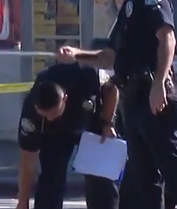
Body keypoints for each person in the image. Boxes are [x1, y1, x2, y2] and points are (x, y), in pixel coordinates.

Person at [56, 0, 177, 209]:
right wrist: (78, 54)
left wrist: (159, 83)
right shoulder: (127, 9)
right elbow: (111, 57)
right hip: (133, 100)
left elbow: (167, 38)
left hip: (153, 95)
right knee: (144, 176)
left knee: (171, 164)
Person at [16, 62, 120, 209]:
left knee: (101, 176)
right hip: (55, 134)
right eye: (45, 115)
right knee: (51, 177)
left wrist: (108, 123)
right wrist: (23, 201)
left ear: (65, 99)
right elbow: (27, 162)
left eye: (53, 113)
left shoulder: (87, 76)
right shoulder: (31, 114)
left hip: (90, 120)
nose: (50, 118)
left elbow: (111, 88)